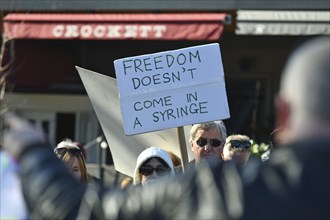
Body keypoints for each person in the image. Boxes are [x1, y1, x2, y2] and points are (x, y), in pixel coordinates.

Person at [2, 36, 329, 219]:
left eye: (217, 143)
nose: (210, 149)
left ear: (282, 114)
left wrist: (31, 149)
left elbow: (77, 210)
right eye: (203, 142)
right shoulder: (212, 187)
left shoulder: (222, 191)